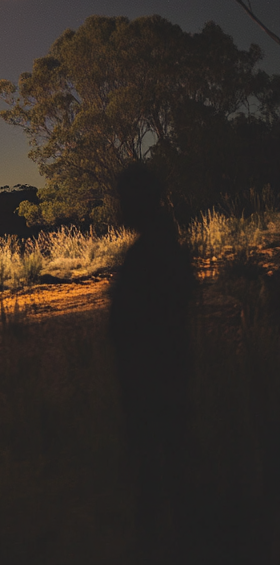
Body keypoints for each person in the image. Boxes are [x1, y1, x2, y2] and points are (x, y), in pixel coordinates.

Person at [109, 163, 195, 548]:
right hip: (168, 375)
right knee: (172, 463)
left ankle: (162, 544)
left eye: (125, 200)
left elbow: (142, 320)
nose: (121, 208)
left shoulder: (149, 253)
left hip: (152, 380)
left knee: (156, 467)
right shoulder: (166, 243)